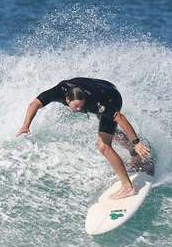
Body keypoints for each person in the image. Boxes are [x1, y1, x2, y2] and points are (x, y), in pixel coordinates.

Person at [17, 77, 152, 199]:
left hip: (111, 96)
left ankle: (128, 188)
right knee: (111, 132)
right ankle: (134, 154)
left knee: (103, 145)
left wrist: (137, 142)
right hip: (100, 88)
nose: (79, 109)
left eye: (81, 106)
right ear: (67, 100)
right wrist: (25, 125)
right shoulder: (58, 91)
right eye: (76, 106)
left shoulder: (96, 103)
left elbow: (120, 117)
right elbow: (34, 104)